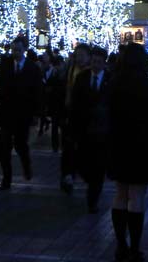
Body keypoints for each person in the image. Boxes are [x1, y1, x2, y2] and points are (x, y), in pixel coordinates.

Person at [107, 42, 148, 262]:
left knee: (120, 193)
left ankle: (120, 245)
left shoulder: (114, 83)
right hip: (141, 144)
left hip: (118, 142)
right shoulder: (146, 84)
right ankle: (135, 247)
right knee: (137, 196)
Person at [0, 37, 43, 190]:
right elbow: (0, 92)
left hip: (23, 115)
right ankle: (6, 179)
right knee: (5, 148)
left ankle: (26, 166)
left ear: (24, 50)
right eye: (14, 49)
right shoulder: (6, 65)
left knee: (21, 145)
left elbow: (37, 92)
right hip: (7, 115)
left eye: (19, 50)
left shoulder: (32, 68)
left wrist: (36, 114)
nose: (16, 53)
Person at [70, 46, 111, 213]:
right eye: (93, 61)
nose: (96, 64)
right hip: (84, 129)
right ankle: (89, 180)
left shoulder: (110, 80)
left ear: (104, 63)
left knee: (99, 169)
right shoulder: (82, 78)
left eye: (99, 62)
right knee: (84, 164)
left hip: (102, 133)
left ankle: (92, 199)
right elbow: (75, 103)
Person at [60, 42, 90, 193]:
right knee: (69, 146)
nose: (80, 58)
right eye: (77, 55)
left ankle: (78, 172)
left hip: (86, 116)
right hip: (70, 113)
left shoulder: (91, 73)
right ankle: (68, 175)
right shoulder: (70, 69)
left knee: (82, 148)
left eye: (82, 56)